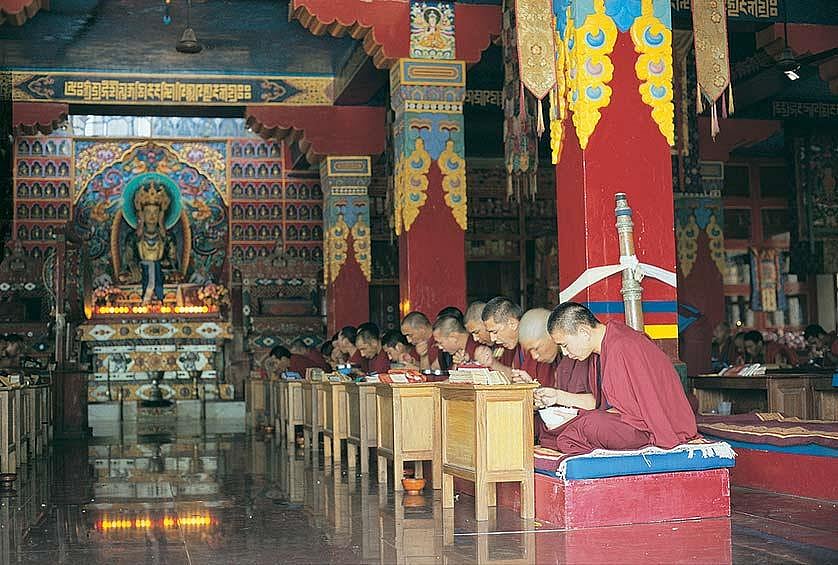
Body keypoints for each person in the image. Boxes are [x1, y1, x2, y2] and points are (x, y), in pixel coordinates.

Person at [537, 302, 698, 455]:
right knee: (556, 429)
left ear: (584, 332)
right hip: (634, 422)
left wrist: (581, 416)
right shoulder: (606, 346)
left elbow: (634, 414)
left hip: (653, 428)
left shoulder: (622, 346)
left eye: (564, 345)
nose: (565, 353)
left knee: (584, 427)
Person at [509, 309, 591, 444]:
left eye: (536, 348)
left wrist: (557, 396)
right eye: (530, 351)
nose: (534, 356)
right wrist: (534, 390)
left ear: (552, 335)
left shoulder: (580, 354)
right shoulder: (559, 362)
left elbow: (597, 403)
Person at [480, 297, 529, 377]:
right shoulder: (515, 345)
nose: (493, 339)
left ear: (512, 324)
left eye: (495, 332)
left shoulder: (535, 344)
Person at [465, 300, 516, 369]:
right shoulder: (492, 344)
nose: (475, 339)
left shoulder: (508, 341)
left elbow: (513, 375)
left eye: (476, 332)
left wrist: (493, 363)